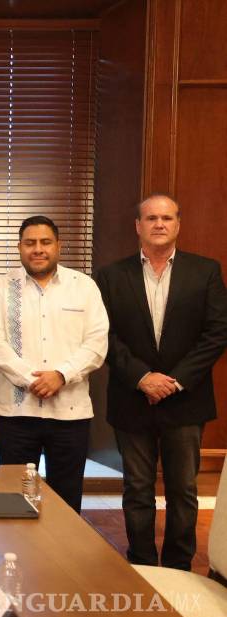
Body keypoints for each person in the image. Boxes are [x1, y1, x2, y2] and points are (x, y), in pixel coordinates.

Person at [96, 193, 227, 570]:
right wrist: (141, 377)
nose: (159, 224)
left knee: (182, 491)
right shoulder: (110, 275)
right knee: (137, 489)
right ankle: (141, 564)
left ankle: (178, 567)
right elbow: (102, 334)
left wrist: (175, 381)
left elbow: (217, 332)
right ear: (138, 226)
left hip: (185, 400)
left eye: (167, 218)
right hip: (132, 397)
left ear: (178, 224)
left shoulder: (205, 271)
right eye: (151, 218)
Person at [0, 216, 108, 512]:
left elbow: (97, 342)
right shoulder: (2, 288)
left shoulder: (83, 287)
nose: (38, 249)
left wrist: (61, 375)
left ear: (58, 246)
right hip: (17, 413)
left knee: (67, 501)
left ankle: (63, 546)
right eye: (30, 243)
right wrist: (33, 380)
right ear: (19, 248)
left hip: (70, 413)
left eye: (45, 242)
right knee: (14, 501)